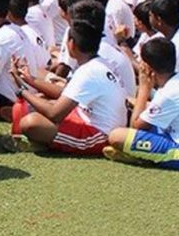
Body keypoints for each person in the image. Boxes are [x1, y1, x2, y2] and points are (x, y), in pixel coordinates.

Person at [11, 17, 127, 155]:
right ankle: (43, 141)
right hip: (90, 118)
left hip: (99, 135)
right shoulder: (98, 64)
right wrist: (30, 80)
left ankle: (42, 143)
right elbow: (65, 94)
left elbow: (54, 114)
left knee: (30, 123)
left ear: (71, 44)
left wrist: (22, 91)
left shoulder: (88, 71)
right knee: (40, 99)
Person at [105, 37, 179, 170]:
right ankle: (144, 155)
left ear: (147, 67)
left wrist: (144, 88)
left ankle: (144, 157)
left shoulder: (169, 93)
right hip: (175, 134)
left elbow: (136, 126)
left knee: (117, 135)